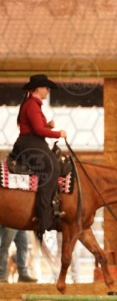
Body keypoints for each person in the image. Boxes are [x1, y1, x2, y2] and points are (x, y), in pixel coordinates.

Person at [10, 74, 67, 241]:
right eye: (45, 87)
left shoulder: (32, 105)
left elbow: (37, 127)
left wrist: (47, 125)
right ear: (37, 89)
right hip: (30, 143)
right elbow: (38, 130)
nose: (47, 91)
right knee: (51, 168)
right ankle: (44, 215)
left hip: (32, 142)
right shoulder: (32, 105)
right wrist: (58, 133)